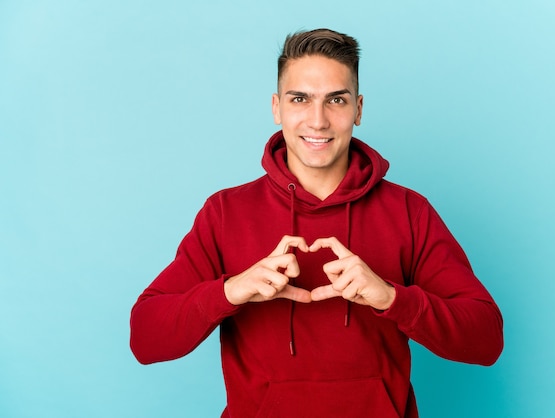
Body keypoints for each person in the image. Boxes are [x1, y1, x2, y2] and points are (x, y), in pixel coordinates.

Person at [130, 28, 503, 418]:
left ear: (358, 109)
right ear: (277, 108)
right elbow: (146, 338)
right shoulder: (226, 212)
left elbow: (486, 339)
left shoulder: (409, 211)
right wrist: (231, 291)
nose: (318, 120)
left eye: (336, 100)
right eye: (300, 99)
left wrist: (390, 297)